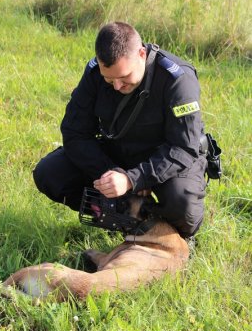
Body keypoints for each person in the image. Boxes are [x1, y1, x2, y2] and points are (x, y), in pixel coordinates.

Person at [33, 22, 208, 238]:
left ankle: (173, 236)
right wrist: (112, 173)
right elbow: (74, 132)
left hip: (165, 158)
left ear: (142, 54)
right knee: (49, 173)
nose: (116, 86)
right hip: (119, 152)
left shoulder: (177, 80)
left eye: (124, 78)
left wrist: (135, 179)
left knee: (182, 205)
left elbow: (183, 147)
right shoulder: (94, 72)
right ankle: (118, 219)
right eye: (109, 79)